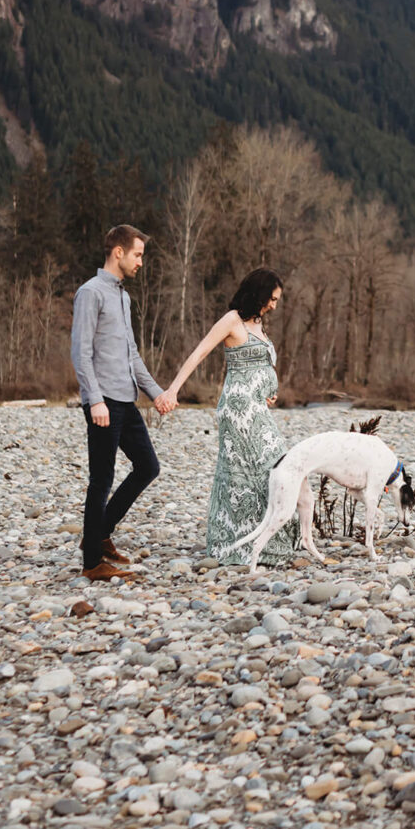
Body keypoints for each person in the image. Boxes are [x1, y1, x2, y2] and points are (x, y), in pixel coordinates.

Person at [162, 268, 299, 568]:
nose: (274, 305)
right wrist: (173, 390)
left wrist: (268, 390)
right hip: (237, 410)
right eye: (272, 299)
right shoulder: (232, 320)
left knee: (272, 466)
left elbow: (258, 366)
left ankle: (263, 540)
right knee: (243, 472)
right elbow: (199, 354)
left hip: (257, 408)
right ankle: (233, 542)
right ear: (259, 293)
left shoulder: (259, 324)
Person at [70, 224, 176, 582]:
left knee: (147, 466)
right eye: (137, 254)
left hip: (126, 400)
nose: (140, 262)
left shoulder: (122, 296)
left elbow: (131, 355)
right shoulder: (91, 293)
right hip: (103, 404)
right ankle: (92, 564)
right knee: (101, 479)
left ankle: (99, 534)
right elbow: (81, 353)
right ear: (118, 252)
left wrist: (156, 392)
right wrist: (94, 400)